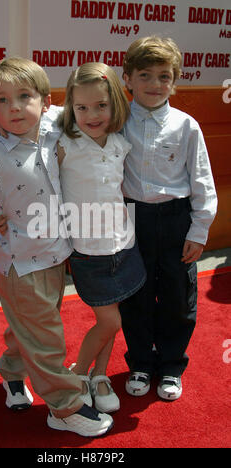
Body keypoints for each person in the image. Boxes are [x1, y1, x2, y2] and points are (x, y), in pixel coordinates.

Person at [0, 56, 114, 437]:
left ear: (46, 101)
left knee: (26, 328)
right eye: (1, 100)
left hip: (58, 257)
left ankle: (13, 375)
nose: (14, 107)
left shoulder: (54, 125)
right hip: (20, 265)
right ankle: (63, 408)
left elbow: (89, 105)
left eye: (24, 96)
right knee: (46, 338)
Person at [119, 36, 218, 400]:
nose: (155, 84)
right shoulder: (115, 120)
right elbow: (67, 125)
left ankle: (172, 365)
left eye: (164, 76)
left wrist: (200, 228)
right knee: (135, 295)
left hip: (177, 219)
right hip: (131, 218)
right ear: (127, 78)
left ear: (175, 80)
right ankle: (141, 363)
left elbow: (202, 180)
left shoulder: (186, 126)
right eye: (145, 75)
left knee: (178, 295)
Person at [57, 62, 146, 413]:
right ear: (71, 107)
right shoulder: (64, 144)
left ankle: (101, 374)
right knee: (111, 320)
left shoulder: (120, 144)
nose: (92, 114)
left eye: (101, 105)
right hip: (88, 252)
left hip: (124, 245)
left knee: (112, 317)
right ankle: (78, 373)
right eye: (82, 107)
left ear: (115, 105)